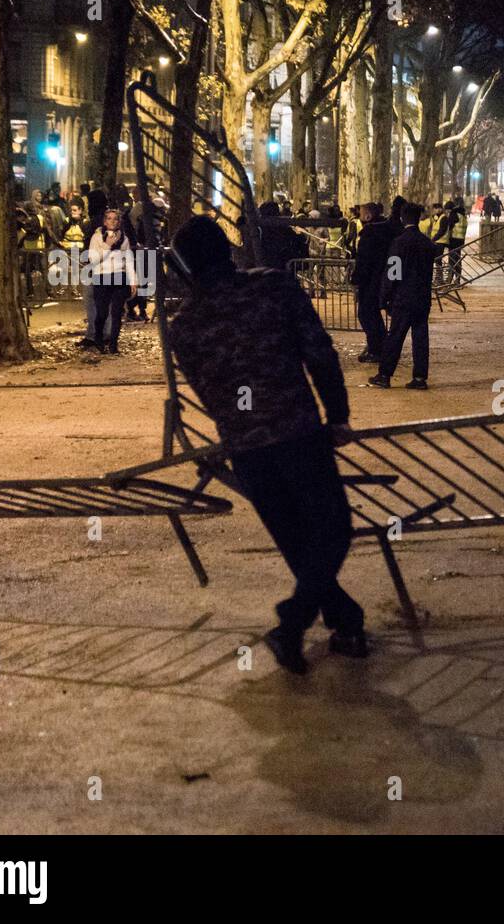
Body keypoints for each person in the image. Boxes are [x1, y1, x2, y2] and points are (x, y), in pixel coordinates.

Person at [166, 216, 368, 673]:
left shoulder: (184, 327)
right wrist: (336, 413)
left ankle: (343, 621)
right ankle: (297, 620)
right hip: (297, 431)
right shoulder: (273, 287)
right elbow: (318, 352)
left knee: (297, 540)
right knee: (333, 529)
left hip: (248, 447)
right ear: (228, 249)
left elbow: (207, 390)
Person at [368, 202, 441, 391]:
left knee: (395, 337)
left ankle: (385, 375)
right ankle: (419, 377)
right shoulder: (427, 244)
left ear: (402, 218)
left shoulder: (399, 243)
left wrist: (384, 297)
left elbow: (393, 273)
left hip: (403, 298)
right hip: (422, 298)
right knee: (421, 338)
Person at [86, 208, 138, 354]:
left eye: (115, 219)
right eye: (109, 218)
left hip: (119, 278)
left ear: (119, 222)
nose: (112, 221)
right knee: (102, 313)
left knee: (116, 313)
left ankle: (114, 344)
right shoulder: (96, 237)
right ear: (104, 221)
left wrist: (133, 280)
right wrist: (107, 246)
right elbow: (93, 259)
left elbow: (128, 261)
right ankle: (98, 339)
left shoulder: (124, 239)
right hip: (102, 277)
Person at [350, 202, 390, 364]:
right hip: (381, 279)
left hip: (370, 282)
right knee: (372, 315)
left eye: (361, 214)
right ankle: (381, 346)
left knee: (366, 314)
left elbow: (363, 261)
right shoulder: (385, 230)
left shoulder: (369, 233)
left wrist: (356, 279)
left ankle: (376, 349)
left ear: (368, 216)